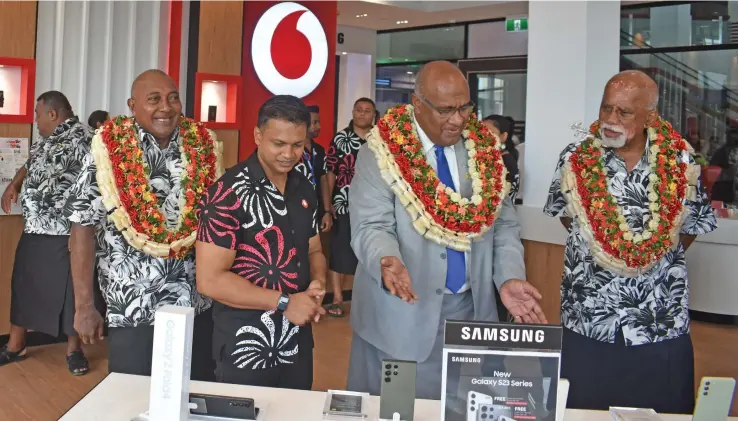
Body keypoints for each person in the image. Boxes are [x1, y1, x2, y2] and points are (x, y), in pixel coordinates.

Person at [346, 60, 546, 400]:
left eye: (464, 108)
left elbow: (504, 225)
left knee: (463, 409)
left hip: (471, 316)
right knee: (397, 410)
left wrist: (509, 277)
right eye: (445, 110)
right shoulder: (380, 151)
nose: (458, 119)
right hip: (401, 314)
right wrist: (386, 259)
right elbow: (371, 224)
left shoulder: (484, 150)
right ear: (417, 104)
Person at [543, 70, 717, 413]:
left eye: (624, 113)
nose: (610, 119)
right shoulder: (574, 158)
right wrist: (603, 247)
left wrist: (646, 257)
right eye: (606, 108)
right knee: (581, 413)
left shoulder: (680, 159)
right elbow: (567, 215)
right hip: (588, 318)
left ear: (651, 116)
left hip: (658, 320)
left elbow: (691, 226)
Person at [64, 69, 222, 381]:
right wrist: (84, 306)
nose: (166, 106)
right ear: (132, 106)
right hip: (133, 307)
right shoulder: (106, 151)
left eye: (172, 97)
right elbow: (82, 227)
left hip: (196, 304)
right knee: (132, 399)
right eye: (154, 99)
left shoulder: (203, 146)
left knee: (196, 395)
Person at [195, 95, 327, 389]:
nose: (288, 154)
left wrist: (317, 282)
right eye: (278, 143)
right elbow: (209, 280)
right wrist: (284, 302)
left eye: (297, 144)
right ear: (257, 135)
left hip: (297, 341)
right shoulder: (227, 193)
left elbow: (314, 248)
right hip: (246, 348)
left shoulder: (303, 187)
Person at [0, 91, 92, 375]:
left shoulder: (85, 139)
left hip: (66, 232)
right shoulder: (46, 141)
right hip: (36, 227)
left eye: (37, 114)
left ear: (53, 114)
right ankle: (16, 344)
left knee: (70, 294)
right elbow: (31, 163)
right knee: (24, 284)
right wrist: (15, 183)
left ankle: (74, 350)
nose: (35, 120)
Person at [323, 98, 377, 318]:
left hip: (374, 203)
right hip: (344, 202)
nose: (362, 114)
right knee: (339, 250)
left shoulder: (380, 139)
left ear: (374, 114)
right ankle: (337, 298)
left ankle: (367, 300)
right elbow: (330, 172)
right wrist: (328, 205)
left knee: (370, 250)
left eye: (367, 111)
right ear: (353, 112)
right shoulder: (341, 138)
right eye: (359, 110)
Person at [294, 105, 332, 232]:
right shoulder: (292, 150)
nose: (319, 127)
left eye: (318, 122)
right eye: (315, 123)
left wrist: (327, 211)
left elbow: (323, 180)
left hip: (317, 211)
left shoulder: (320, 150)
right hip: (295, 210)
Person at [482, 115, 520, 202]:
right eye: (480, 132)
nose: (482, 136)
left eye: (489, 133)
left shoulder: (505, 162)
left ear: (503, 136)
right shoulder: (486, 158)